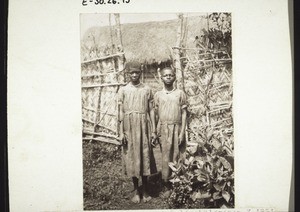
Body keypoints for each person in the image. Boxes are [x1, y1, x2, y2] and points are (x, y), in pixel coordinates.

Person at [117, 61, 157, 203]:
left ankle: (145, 189)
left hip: (143, 125)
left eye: (136, 72)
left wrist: (154, 130)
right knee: (132, 155)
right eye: (131, 73)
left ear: (140, 73)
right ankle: (136, 190)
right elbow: (121, 112)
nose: (134, 75)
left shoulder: (147, 89)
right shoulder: (123, 90)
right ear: (128, 74)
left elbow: (151, 110)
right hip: (129, 126)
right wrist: (121, 132)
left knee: (144, 154)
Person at [154, 67, 187, 198]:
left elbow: (184, 114)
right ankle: (166, 185)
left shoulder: (180, 93)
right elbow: (156, 115)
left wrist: (182, 132)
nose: (168, 77)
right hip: (164, 128)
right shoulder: (158, 95)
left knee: (178, 155)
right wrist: (156, 132)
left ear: (175, 77)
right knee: (166, 156)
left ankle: (178, 185)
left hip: (177, 127)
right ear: (161, 78)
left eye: (171, 75)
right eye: (165, 75)